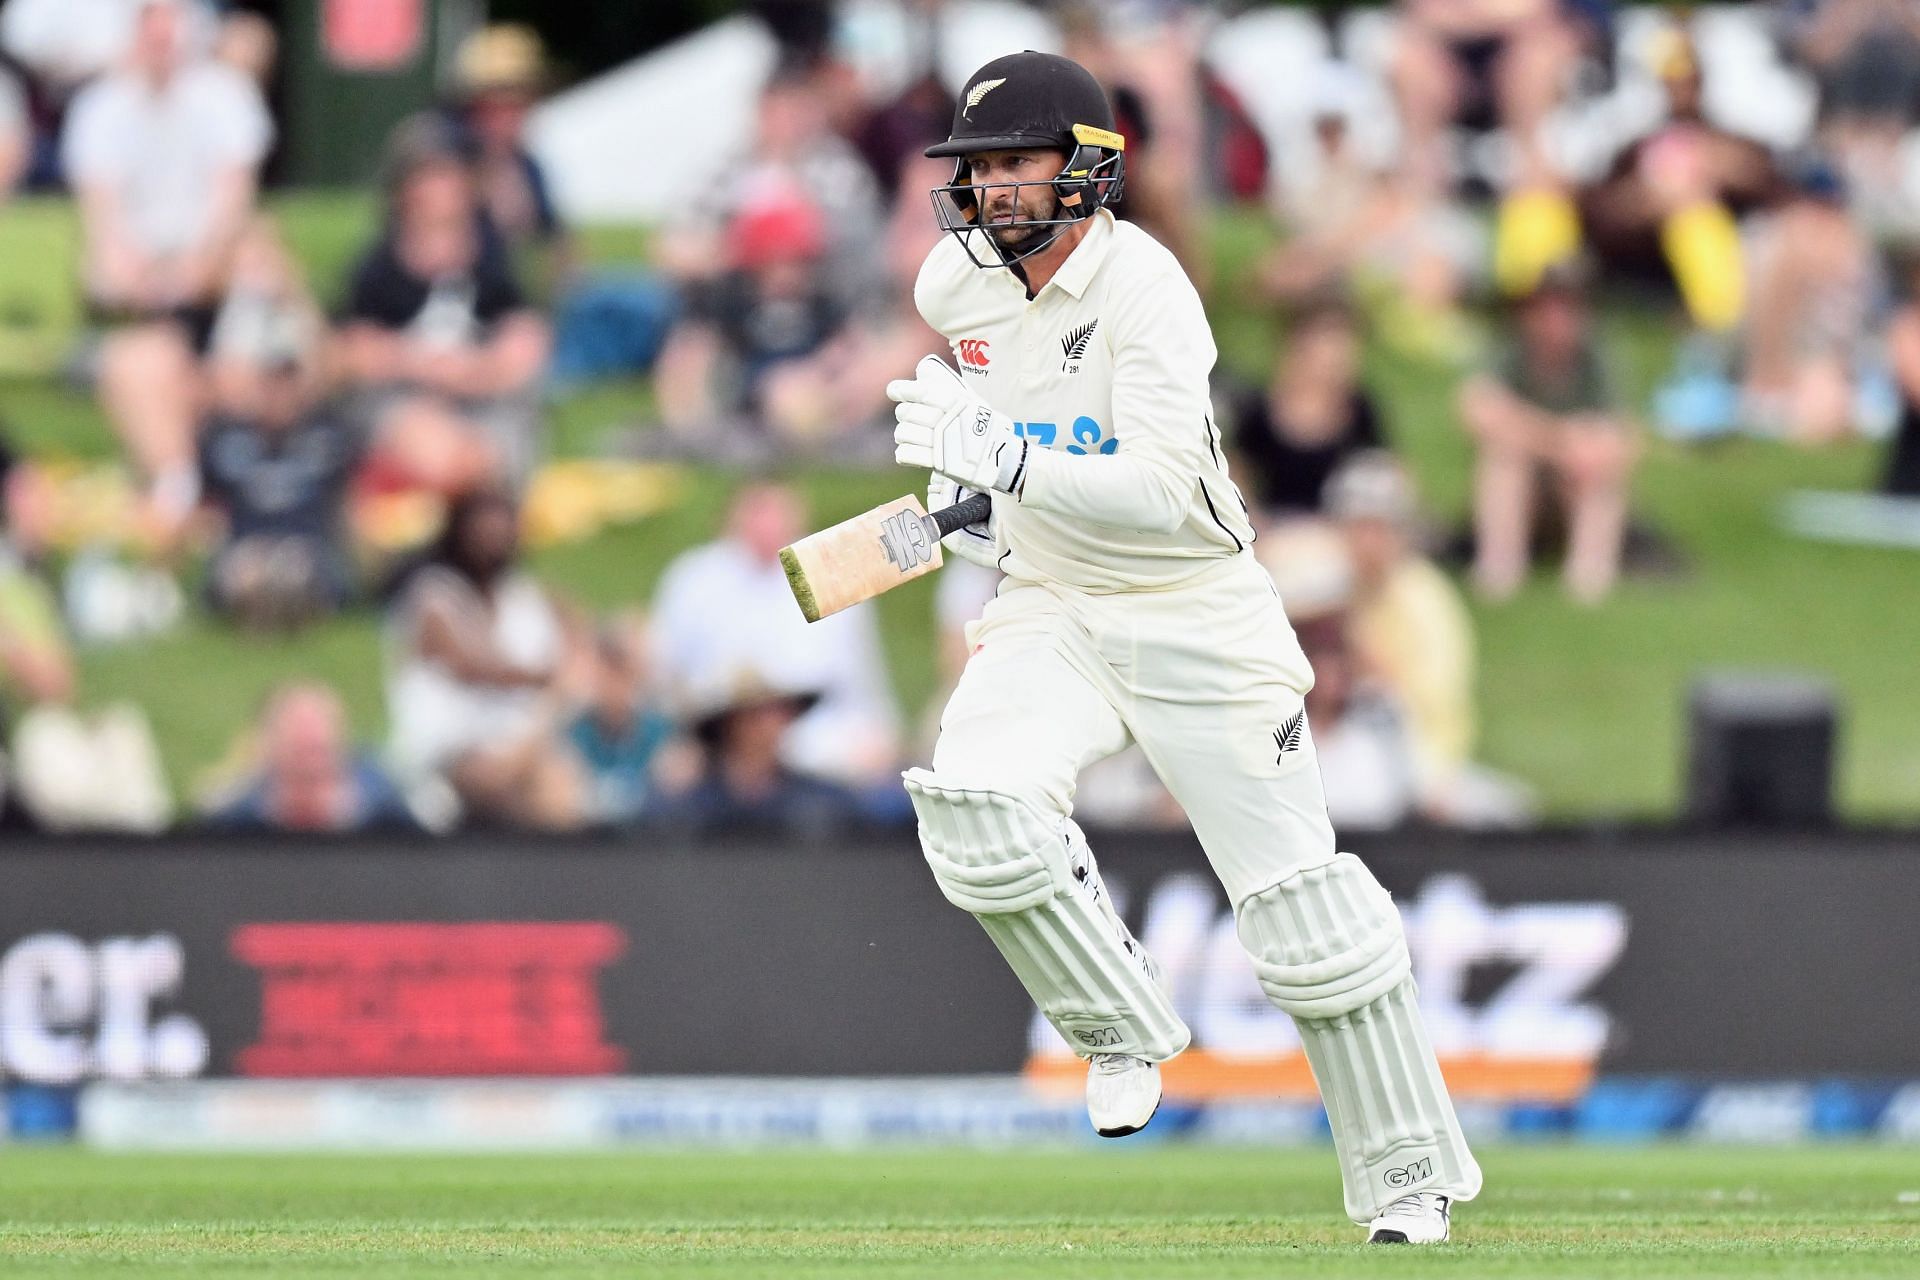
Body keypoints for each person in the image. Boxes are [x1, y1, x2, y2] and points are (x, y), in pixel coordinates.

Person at [885, 51, 1479, 1242]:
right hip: (1052, 598)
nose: (994, 191)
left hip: (1195, 606)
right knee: (974, 807)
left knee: (1300, 910)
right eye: (979, 169)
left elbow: (1160, 490)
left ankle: (1407, 1172)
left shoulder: (1147, 286)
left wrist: (1002, 459)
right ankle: (1117, 1025)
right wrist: (969, 502)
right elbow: (1016, 471)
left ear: (1088, 168)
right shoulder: (953, 291)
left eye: (1016, 164)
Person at [62, 0, 272, 529]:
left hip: (218, 289)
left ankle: (211, 493)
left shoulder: (225, 98)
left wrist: (199, 271)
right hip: (142, 301)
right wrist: (152, 280)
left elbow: (234, 208)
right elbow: (104, 229)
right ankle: (179, 493)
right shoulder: (100, 109)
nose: (162, 39)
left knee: (257, 275)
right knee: (144, 360)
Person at [337, 125, 549, 492]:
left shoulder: (494, 262)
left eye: (448, 176)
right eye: (427, 177)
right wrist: (414, 362)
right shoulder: (379, 268)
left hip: (484, 400)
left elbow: (526, 341)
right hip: (406, 401)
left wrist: (476, 370)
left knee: (487, 451)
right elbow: (349, 350)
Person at [650, 480, 900, 789]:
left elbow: (863, 686)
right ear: (733, 517)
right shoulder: (695, 579)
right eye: (758, 513)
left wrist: (879, 737)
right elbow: (666, 679)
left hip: (820, 747)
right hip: (719, 744)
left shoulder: (833, 575)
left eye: (777, 513)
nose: (767, 526)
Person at [385, 486, 587, 830]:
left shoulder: (522, 596)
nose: (492, 543)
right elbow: (472, 666)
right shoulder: (433, 594)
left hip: (518, 746)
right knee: (499, 781)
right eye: (482, 533)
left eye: (501, 533)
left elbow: (578, 639)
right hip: (446, 752)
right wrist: (548, 679)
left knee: (561, 785)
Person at [1457, 263, 1638, 603]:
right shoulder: (1511, 352)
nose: (1556, 322)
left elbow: (1622, 440)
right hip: (1529, 484)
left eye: (1567, 310)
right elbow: (1477, 409)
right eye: (1548, 309)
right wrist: (1558, 440)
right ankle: (1499, 568)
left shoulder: (1596, 358)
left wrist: (1577, 447)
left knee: (1599, 472)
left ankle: (1589, 576)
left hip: (1572, 485)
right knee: (1505, 459)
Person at [654, 665, 861, 838]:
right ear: (731, 724)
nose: (775, 723)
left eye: (781, 711)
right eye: (760, 715)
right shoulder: (692, 808)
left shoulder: (822, 801)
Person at [1226, 301, 1388, 516]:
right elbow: (1236, 473)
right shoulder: (1260, 409)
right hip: (1272, 527)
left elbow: (1379, 472)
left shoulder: (1360, 409)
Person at [206, 683, 415, 832]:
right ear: (268, 746)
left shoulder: (386, 811)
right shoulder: (236, 820)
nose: (309, 765)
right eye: (299, 750)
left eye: (316, 749)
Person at [567, 622, 681, 826]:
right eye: (606, 673)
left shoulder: (662, 732)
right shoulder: (573, 732)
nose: (614, 684)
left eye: (622, 673)